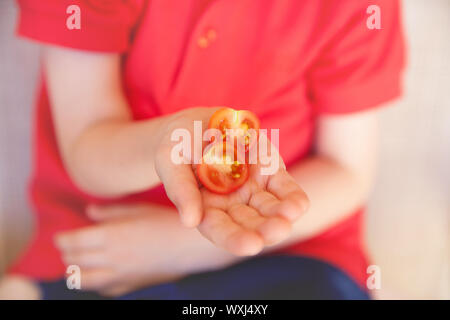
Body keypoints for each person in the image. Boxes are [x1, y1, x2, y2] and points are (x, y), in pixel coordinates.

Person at [0, 0, 404, 299]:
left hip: (290, 256)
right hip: (107, 247)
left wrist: (186, 246)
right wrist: (169, 141)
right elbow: (88, 144)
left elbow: (347, 170)